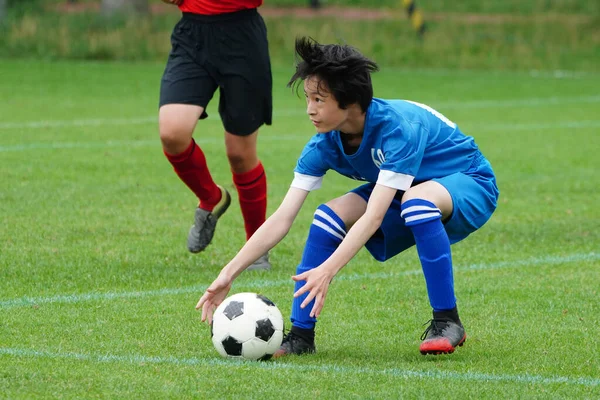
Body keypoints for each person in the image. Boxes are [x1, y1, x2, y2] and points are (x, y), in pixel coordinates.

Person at [196, 37, 499, 356]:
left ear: (350, 101)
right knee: (329, 214)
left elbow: (374, 217)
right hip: (409, 184)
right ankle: (301, 337)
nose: (310, 109)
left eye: (319, 99)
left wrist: (328, 269)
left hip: (468, 179)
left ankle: (447, 320)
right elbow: (283, 218)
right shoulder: (323, 143)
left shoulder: (397, 131)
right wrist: (228, 273)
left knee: (417, 203)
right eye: (308, 98)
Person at [159, 0, 272, 270]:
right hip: (192, 35)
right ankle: (211, 197)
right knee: (172, 133)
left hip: (242, 36)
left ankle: (256, 248)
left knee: (240, 154)